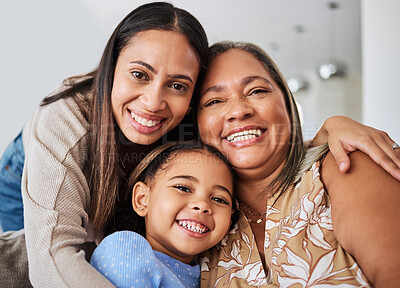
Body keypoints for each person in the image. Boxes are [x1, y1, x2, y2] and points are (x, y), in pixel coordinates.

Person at [0, 1, 398, 287]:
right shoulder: (69, 119)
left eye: (177, 85)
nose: (155, 101)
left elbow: (258, 140)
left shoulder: (195, 134)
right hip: (32, 183)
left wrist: (329, 129)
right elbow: (51, 259)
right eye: (139, 74)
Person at [196, 41, 400, 287]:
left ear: (288, 104)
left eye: (257, 91)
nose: (238, 111)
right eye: (214, 101)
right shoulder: (195, 218)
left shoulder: (343, 164)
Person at [90, 141, 236, 288]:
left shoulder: (218, 277)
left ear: (230, 219)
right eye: (183, 188)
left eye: (219, 199)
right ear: (143, 199)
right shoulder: (124, 249)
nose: (203, 205)